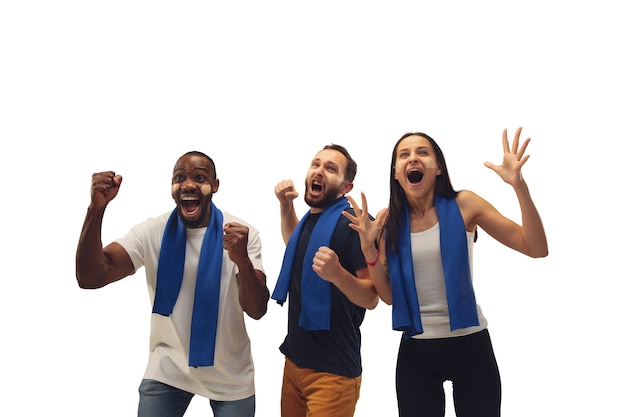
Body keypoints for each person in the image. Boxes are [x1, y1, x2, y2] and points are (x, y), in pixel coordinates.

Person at [343, 127, 548, 417]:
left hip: (471, 346)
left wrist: (519, 186)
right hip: (417, 354)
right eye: (404, 155)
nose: (413, 158)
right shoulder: (389, 223)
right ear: (396, 172)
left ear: (438, 167)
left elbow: (536, 247)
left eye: (422, 153)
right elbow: (389, 298)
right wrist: (369, 251)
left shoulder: (465, 204)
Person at [75, 151, 270, 417]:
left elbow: (257, 310)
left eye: (199, 178)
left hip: (230, 373)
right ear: (172, 186)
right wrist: (96, 209)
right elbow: (91, 277)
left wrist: (243, 261)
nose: (188, 185)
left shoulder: (240, 235)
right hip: (168, 369)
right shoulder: (152, 231)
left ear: (215, 186)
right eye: (180, 178)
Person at [271, 144, 379, 417]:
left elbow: (371, 297)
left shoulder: (354, 224)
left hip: (333, 373)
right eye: (316, 164)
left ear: (346, 187)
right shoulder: (312, 219)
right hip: (294, 363)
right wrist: (286, 206)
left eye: (331, 168)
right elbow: (297, 246)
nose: (319, 171)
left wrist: (338, 275)